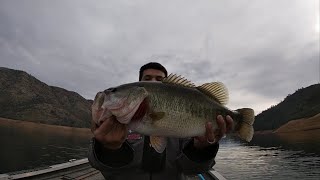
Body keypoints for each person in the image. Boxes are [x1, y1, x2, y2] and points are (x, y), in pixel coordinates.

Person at [88, 62, 234, 180]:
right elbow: (104, 169)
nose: (153, 82)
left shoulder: (189, 134)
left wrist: (202, 149)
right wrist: (108, 149)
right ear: (138, 85)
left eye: (160, 80)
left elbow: (191, 170)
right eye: (147, 78)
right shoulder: (116, 125)